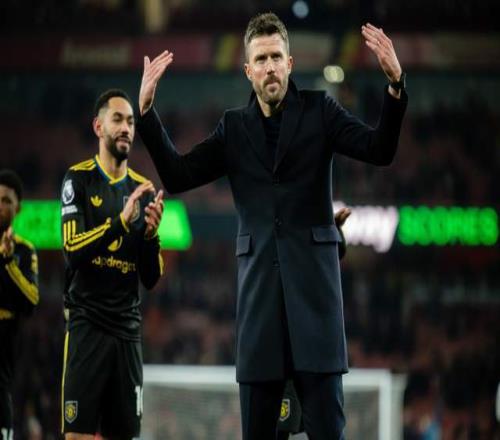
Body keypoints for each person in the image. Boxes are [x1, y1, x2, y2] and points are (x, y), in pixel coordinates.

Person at [137, 12, 407, 440]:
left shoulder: (320, 111)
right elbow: (177, 175)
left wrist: (395, 86)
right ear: (248, 70)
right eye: (260, 59)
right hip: (260, 320)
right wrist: (147, 112)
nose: (269, 67)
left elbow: (379, 149)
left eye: (276, 57)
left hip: (316, 314)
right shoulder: (233, 127)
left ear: (290, 63)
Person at [60, 89, 165, 439]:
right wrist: (120, 223)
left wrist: (150, 236)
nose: (126, 128)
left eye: (131, 122)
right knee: (77, 436)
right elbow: (72, 249)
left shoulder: (143, 189)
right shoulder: (78, 179)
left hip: (127, 333)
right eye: (117, 119)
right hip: (87, 327)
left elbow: (151, 278)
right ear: (98, 126)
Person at [0, 169, 39, 440]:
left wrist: (7, 261)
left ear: (18, 208)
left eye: (6, 201)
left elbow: (31, 301)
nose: (0, 206)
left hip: (4, 360)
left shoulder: (24, 251)